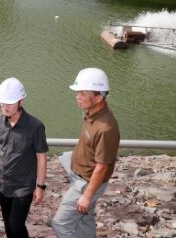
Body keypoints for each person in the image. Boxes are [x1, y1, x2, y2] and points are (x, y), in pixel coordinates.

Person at [52, 68, 120, 237]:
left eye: (83, 93)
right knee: (84, 220)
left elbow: (102, 167)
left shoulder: (105, 128)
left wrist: (87, 196)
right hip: (80, 175)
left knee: (60, 224)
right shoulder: (92, 112)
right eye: (78, 92)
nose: (77, 96)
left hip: (86, 183)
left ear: (98, 97)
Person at [0, 77, 48, 238]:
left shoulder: (35, 126)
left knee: (16, 225)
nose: (5, 106)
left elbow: (41, 157)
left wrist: (40, 186)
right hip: (2, 184)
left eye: (9, 103)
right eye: (2, 102)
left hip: (23, 187)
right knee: (8, 222)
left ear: (21, 102)